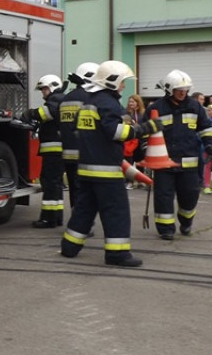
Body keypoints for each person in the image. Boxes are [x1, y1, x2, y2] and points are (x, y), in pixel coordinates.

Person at [61, 60, 158, 267]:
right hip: (106, 171)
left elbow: (78, 132)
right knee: (116, 211)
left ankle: (70, 246)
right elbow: (116, 132)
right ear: (112, 81)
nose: (124, 86)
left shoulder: (89, 102)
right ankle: (117, 254)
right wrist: (145, 128)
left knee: (84, 210)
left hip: (86, 169)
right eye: (123, 82)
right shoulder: (108, 103)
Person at [144, 69, 212, 241]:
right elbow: (145, 132)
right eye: (179, 90)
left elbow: (205, 127)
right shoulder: (156, 108)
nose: (183, 93)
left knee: (190, 196)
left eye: (185, 90)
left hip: (189, 163)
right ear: (169, 90)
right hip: (164, 163)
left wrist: (210, 145)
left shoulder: (195, 106)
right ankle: (165, 228)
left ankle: (186, 221)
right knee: (163, 197)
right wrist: (145, 151)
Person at [23, 74, 66, 227]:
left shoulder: (55, 99)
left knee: (49, 182)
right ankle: (57, 216)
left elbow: (45, 113)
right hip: (58, 150)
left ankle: (48, 219)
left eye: (45, 89)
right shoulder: (61, 99)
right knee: (56, 183)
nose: (43, 92)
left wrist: (30, 113)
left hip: (54, 150)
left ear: (53, 86)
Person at [58, 61, 99, 214]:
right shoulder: (90, 98)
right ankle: (84, 221)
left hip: (68, 154)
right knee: (87, 190)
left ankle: (76, 216)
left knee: (74, 188)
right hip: (86, 153)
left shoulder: (65, 99)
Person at [123, 93, 146, 188]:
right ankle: (129, 181)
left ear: (138, 102)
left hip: (140, 139)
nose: (131, 103)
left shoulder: (143, 113)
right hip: (130, 140)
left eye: (133, 101)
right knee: (129, 161)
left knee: (140, 161)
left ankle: (140, 181)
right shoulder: (126, 113)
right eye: (130, 101)